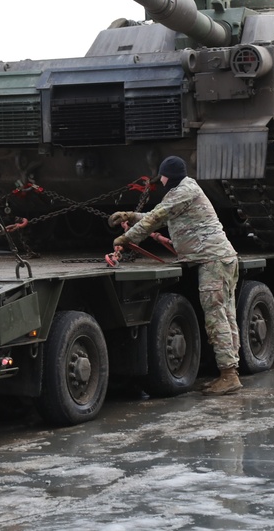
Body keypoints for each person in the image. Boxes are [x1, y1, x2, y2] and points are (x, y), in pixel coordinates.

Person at [110, 155, 242, 396]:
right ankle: (229, 372)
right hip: (219, 259)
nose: (159, 180)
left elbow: (157, 217)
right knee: (225, 315)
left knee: (216, 318)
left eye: (161, 176)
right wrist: (131, 215)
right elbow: (161, 214)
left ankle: (229, 374)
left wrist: (127, 238)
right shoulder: (186, 189)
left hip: (212, 261)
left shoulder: (183, 191)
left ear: (167, 176)